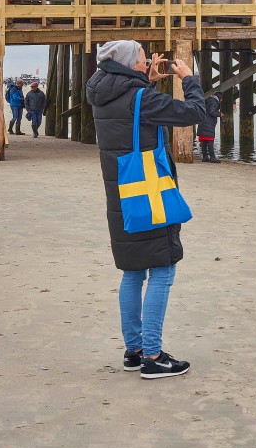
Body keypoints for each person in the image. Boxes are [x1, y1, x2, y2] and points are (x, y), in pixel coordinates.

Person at [86, 40, 206, 379]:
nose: (147, 62)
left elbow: (130, 113)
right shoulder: (143, 98)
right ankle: (153, 356)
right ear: (130, 66)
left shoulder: (103, 93)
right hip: (150, 193)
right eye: (142, 60)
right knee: (163, 269)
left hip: (122, 195)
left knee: (133, 272)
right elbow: (194, 113)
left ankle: (134, 351)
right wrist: (188, 79)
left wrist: (147, 81)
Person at [197, 91, 222, 163]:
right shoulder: (214, 102)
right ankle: (212, 157)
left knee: (204, 141)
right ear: (219, 98)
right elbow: (212, 112)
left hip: (203, 122)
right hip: (208, 124)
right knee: (210, 141)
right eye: (221, 99)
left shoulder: (208, 100)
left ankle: (205, 157)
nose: (221, 100)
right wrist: (220, 114)